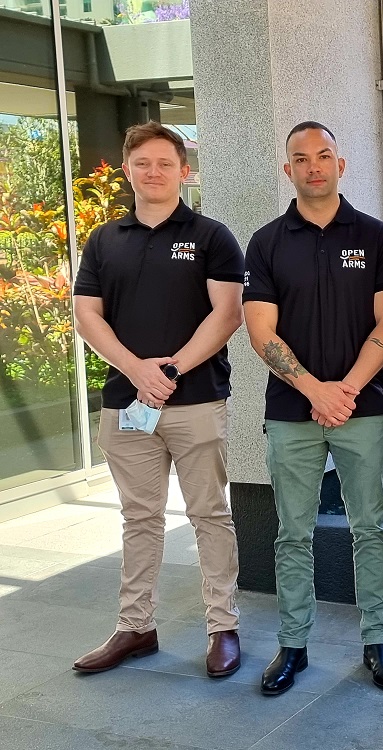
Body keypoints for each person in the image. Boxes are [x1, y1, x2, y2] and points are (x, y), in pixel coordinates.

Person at [72, 122, 244, 678]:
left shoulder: (212, 235)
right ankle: (136, 626)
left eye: (165, 163)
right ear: (128, 170)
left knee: (209, 515)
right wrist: (136, 370)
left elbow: (228, 313)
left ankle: (223, 626)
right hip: (127, 403)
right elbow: (87, 316)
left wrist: (169, 369)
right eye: (142, 163)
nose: (153, 172)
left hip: (194, 400)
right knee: (139, 517)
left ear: (184, 170)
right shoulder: (103, 240)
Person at [243, 121, 383, 696]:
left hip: (361, 410)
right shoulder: (265, 243)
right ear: (287, 170)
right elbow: (259, 329)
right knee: (293, 533)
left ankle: (378, 640)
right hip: (292, 411)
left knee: (371, 528)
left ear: (343, 163)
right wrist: (315, 389)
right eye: (301, 158)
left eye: (325, 155)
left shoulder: (375, 236)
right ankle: (293, 646)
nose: (314, 166)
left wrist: (345, 391)